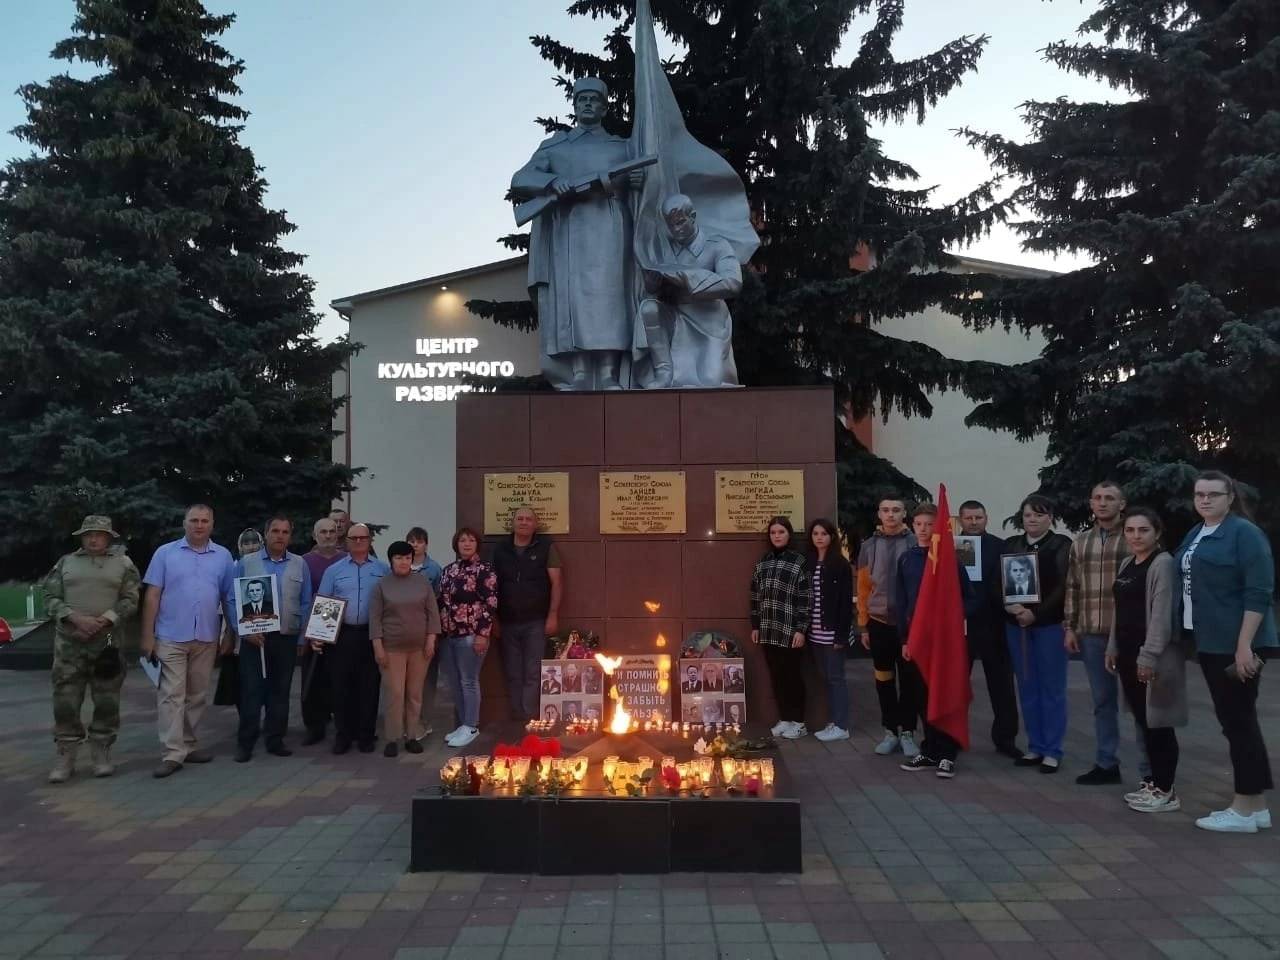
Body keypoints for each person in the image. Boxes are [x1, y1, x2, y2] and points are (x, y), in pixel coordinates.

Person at [510, 77, 644, 389]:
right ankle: (581, 371)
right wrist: (552, 182)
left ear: (604, 107)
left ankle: (609, 373)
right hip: (568, 229)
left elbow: (640, 186)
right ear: (574, 105)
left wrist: (636, 180)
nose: (587, 104)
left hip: (609, 226)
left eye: (594, 100)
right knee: (573, 300)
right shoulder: (555, 146)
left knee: (611, 297)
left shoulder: (622, 147)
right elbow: (520, 179)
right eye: (582, 99)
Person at [1174, 471, 1277, 833]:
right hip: (1209, 641)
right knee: (1238, 721)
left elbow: (1259, 591)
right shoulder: (1197, 532)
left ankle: (1243, 809)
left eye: (1213, 494)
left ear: (1230, 497)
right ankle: (1257, 808)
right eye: (1199, 494)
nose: (1205, 500)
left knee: (1238, 723)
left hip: (1235, 644)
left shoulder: (1244, 533)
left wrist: (1244, 645)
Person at [1065, 481, 1151, 787]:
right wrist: (1070, 626)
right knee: (1102, 702)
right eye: (1097, 498)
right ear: (1091, 503)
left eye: (1110, 498)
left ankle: (1150, 770)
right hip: (1091, 633)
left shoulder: (1133, 538)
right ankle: (1106, 763)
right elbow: (1073, 586)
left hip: (1129, 634)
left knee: (1140, 703)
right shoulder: (1081, 542)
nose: (1102, 503)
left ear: (1122, 504)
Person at [42, 515, 140, 783]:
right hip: (69, 643)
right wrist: (73, 618)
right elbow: (49, 597)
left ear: (109, 537)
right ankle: (66, 754)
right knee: (65, 700)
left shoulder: (123, 564)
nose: (93, 539)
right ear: (82, 537)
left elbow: (131, 599)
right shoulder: (66, 563)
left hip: (106, 642)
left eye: (99, 534)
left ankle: (101, 752)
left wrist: (105, 619)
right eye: (89, 534)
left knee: (107, 700)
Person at [141, 504, 236, 778]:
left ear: (212, 525)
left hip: (206, 636)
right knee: (172, 695)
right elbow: (152, 595)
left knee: (196, 695)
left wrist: (230, 632)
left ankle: (189, 744)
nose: (199, 525)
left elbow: (228, 597)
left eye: (205, 521)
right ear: (184, 523)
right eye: (194, 520)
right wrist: (147, 636)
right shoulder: (165, 553)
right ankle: (172, 753)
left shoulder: (223, 556)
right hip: (170, 635)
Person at [1104, 507, 1185, 812]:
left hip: (1153, 657)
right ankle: (1153, 783)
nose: (1136, 536)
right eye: (1130, 530)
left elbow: (1162, 615)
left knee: (1159, 724)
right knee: (1143, 720)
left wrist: (1148, 656)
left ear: (1157, 532)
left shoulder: (1162, 564)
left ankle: (1166, 790)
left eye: (1143, 530)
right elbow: (1119, 609)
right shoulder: (1128, 563)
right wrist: (1112, 646)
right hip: (1127, 654)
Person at [896, 504, 978, 778]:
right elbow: (901, 602)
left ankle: (947, 753)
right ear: (912, 525)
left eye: (929, 524)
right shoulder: (906, 559)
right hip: (917, 641)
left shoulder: (950, 562)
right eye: (918, 524)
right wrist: (905, 640)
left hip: (944, 642)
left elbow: (970, 599)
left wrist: (951, 618)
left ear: (939, 527)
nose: (923, 529)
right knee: (921, 696)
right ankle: (930, 750)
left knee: (944, 694)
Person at [224, 516, 311, 763]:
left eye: (285, 532)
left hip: (286, 637)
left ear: (290, 536)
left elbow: (305, 601)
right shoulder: (246, 562)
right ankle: (246, 743)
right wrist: (244, 631)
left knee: (280, 691)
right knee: (251, 691)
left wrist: (302, 638)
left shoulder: (299, 564)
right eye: (275, 531)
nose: (280, 536)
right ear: (266, 533)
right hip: (255, 638)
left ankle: (275, 740)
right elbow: (232, 599)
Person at [636, 193, 742, 387]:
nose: (676, 230)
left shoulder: (717, 245)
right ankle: (663, 372)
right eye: (671, 225)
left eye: (680, 222)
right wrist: (652, 282)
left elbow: (733, 283)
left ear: (692, 216)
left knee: (711, 381)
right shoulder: (665, 248)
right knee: (649, 308)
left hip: (709, 319)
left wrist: (689, 278)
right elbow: (653, 289)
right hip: (675, 315)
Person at [1004, 495, 1073, 774]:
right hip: (1016, 626)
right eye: (1028, 515)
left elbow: (1063, 586)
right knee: (1027, 686)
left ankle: (1052, 750)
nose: (1032, 519)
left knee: (1052, 688)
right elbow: (999, 581)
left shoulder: (1061, 545)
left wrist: (1036, 613)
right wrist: (1010, 606)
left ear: (1050, 518)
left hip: (1048, 626)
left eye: (1039, 515)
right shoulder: (1012, 545)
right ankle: (1035, 746)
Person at [315, 524, 389, 754]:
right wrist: (318, 635)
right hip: (342, 635)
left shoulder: (382, 569)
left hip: (371, 635)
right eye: (353, 538)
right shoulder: (334, 571)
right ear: (346, 541)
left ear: (369, 541)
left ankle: (366, 735)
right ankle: (343, 736)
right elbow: (324, 601)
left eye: (362, 538)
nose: (358, 541)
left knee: (369, 687)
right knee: (341, 687)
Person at [957, 501, 1021, 758]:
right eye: (969, 518)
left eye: (978, 517)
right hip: (961, 627)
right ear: (960, 520)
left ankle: (1005, 739)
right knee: (956, 685)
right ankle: (953, 737)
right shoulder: (950, 547)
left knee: (1002, 685)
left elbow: (1011, 582)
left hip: (995, 625)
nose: (974, 522)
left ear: (986, 518)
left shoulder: (1001, 546)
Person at [857, 499, 920, 757]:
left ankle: (908, 733)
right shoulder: (868, 546)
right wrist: (863, 625)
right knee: (884, 680)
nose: (890, 515)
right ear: (879, 514)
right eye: (886, 510)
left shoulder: (915, 542)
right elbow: (863, 588)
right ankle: (890, 732)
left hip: (909, 626)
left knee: (909, 681)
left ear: (904, 514)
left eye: (896, 510)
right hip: (879, 623)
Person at [370, 541, 441, 758]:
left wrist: (431, 641)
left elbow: (433, 614)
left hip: (419, 649)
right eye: (399, 558)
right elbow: (375, 619)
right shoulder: (382, 585)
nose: (403, 562)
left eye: (408, 558)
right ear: (391, 560)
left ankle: (412, 736)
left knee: (414, 694)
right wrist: (378, 647)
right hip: (392, 649)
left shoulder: (422, 582)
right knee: (395, 694)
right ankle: (393, 738)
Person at [492, 506, 563, 721]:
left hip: (536, 621)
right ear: (513, 523)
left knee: (533, 672)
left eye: (528, 519)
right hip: (507, 621)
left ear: (535, 524)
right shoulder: (500, 549)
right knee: (513, 673)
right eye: (520, 518)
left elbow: (557, 583)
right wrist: (493, 619)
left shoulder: (546, 546)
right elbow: (489, 585)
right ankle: (517, 717)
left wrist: (553, 615)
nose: (524, 522)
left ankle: (529, 717)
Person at [750, 516, 811, 740]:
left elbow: (805, 597)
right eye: (773, 532)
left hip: (790, 630)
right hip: (768, 630)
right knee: (776, 677)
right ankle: (785, 719)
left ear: (789, 534)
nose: (777, 536)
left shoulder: (799, 561)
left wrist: (801, 629)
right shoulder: (763, 561)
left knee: (792, 677)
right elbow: (755, 596)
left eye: (781, 532)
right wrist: (755, 625)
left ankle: (799, 723)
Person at [438, 526, 499, 748]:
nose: (466, 544)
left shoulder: (484, 570)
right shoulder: (449, 570)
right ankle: (464, 723)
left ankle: (472, 725)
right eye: (462, 540)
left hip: (472, 634)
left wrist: (483, 634)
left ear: (477, 545)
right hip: (449, 635)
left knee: (468, 680)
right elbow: (441, 601)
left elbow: (490, 604)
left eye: (471, 540)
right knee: (455, 681)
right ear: (456, 544)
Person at [806, 518, 854, 743]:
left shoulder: (840, 564)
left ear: (831, 537)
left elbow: (845, 602)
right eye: (815, 534)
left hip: (833, 632)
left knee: (836, 678)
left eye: (823, 534)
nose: (819, 538)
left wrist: (841, 635)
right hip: (814, 632)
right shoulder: (809, 562)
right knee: (825, 678)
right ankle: (833, 722)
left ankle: (841, 725)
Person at [301, 517, 344, 745]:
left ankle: (343, 725)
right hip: (315, 627)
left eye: (331, 531)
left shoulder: (346, 559)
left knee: (340, 679)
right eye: (323, 532)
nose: (328, 535)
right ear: (314, 535)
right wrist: (308, 632)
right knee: (313, 679)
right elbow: (302, 596)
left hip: (343, 629)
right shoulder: (304, 562)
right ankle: (314, 726)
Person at [405, 526, 445, 740]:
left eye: (419, 541)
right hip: (404, 631)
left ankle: (425, 721)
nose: (415, 545)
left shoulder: (434, 569)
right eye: (411, 541)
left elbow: (438, 602)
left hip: (427, 631)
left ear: (426, 545)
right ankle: (409, 721)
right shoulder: (400, 566)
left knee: (427, 680)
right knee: (407, 679)